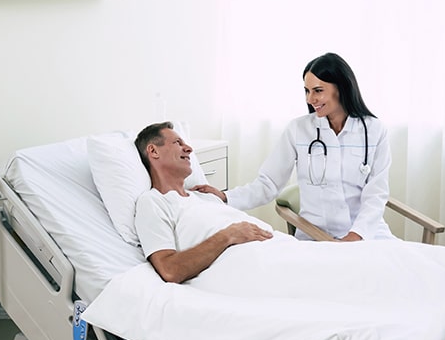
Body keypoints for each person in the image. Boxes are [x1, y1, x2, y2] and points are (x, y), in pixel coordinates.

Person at [193, 53, 394, 241]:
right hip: (315, 237)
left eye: (318, 90)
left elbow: (376, 194)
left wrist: (356, 236)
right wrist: (225, 196)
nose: (310, 99)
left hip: (368, 236)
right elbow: (268, 184)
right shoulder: (299, 130)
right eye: (307, 91)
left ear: (341, 87)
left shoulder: (374, 131)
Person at [133, 122, 276, 283]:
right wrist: (228, 235)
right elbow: (169, 270)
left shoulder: (206, 196)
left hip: (276, 248)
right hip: (253, 266)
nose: (189, 149)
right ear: (153, 151)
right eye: (178, 143)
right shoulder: (153, 202)